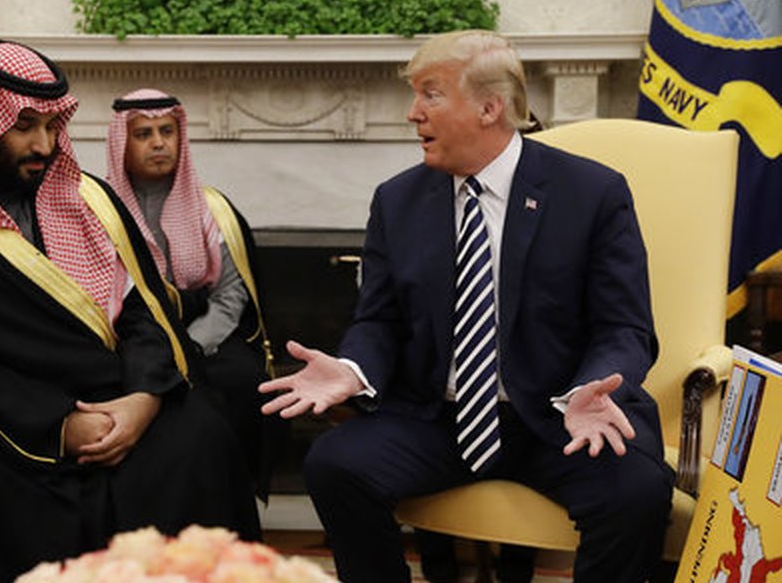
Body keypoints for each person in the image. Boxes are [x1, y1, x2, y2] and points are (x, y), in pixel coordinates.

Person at [260, 30, 675, 583]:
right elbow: (379, 321)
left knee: (637, 493)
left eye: (430, 94)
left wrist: (589, 386)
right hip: (442, 417)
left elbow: (623, 326)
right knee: (335, 466)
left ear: (489, 107)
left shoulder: (591, 193)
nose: (413, 114)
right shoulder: (398, 200)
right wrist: (354, 369)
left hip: (559, 416)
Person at [0, 40, 259, 583]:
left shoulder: (92, 204)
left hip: (110, 402)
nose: (43, 144)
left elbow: (146, 314)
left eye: (52, 126)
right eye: (24, 126)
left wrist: (143, 401)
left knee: (200, 430)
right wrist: (58, 425)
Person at [105, 88, 285, 499]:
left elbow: (230, 297)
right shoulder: (100, 210)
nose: (158, 143)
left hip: (206, 335)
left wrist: (188, 347)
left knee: (243, 382)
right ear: (121, 142)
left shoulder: (212, 209)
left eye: (167, 131)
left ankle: (232, 499)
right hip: (127, 338)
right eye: (144, 133)